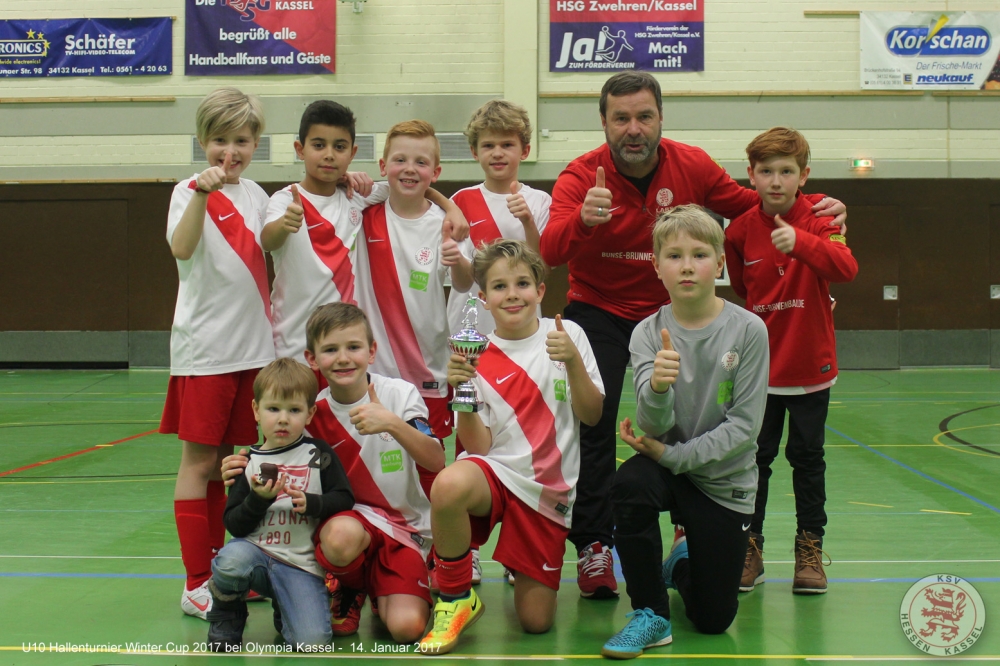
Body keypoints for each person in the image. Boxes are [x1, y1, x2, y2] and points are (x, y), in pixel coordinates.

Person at [540, 71, 846, 599]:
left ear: (660, 117)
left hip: (674, 313)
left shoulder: (693, 164)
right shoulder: (579, 176)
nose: (633, 129)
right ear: (604, 122)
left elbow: (755, 204)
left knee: (693, 416)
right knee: (594, 418)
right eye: (621, 118)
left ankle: (686, 526)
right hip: (601, 309)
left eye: (644, 116)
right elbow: (549, 250)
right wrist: (582, 222)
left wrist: (817, 210)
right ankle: (593, 544)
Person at [417, 240, 604, 656]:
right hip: (496, 475)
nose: (512, 294)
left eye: (522, 283)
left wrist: (573, 362)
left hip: (547, 492)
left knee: (536, 623)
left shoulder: (567, 334)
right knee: (448, 485)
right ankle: (455, 597)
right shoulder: (476, 353)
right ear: (484, 298)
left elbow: (591, 415)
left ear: (540, 290)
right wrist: (462, 391)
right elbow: (479, 446)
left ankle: (518, 561)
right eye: (499, 286)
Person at [222, 303, 445, 643]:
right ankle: (348, 586)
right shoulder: (312, 412)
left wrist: (392, 424)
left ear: (371, 351)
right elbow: (273, 450)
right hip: (344, 526)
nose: (343, 358)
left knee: (407, 629)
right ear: (312, 359)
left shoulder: (400, 395)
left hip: (403, 528)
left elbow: (436, 460)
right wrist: (242, 463)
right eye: (330, 350)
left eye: (353, 347)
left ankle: (383, 585)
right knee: (340, 537)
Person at [602, 205, 769, 659]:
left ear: (720, 263)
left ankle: (680, 563)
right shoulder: (646, 333)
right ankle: (650, 614)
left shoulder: (749, 330)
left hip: (722, 478)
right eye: (674, 256)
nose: (688, 266)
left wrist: (670, 455)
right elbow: (653, 425)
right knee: (629, 484)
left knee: (714, 620)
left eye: (699, 254)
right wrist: (658, 386)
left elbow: (744, 428)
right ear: (657, 267)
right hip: (663, 469)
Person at [724, 127, 858, 595]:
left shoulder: (822, 216)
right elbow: (744, 289)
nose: (776, 181)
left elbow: (846, 268)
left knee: (808, 460)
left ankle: (809, 550)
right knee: (754, 462)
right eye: (766, 171)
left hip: (810, 369)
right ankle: (750, 548)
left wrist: (800, 242)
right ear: (751, 175)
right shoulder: (739, 231)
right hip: (760, 372)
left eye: (786, 171)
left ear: (803, 175)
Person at [160, 87, 276, 619]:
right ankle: (194, 581)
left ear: (255, 144)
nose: (231, 152)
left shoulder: (256, 195)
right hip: (206, 351)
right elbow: (181, 249)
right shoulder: (187, 191)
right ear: (202, 141)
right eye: (220, 140)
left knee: (229, 465)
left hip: (253, 349)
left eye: (242, 141)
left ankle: (222, 572)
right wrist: (202, 195)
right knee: (199, 462)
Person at [263, 101, 469, 380]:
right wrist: (284, 224)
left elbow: (410, 188)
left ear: (352, 153)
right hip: (292, 348)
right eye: (319, 145)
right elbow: (267, 241)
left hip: (343, 354)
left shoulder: (356, 197)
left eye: (339, 147)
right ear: (300, 149)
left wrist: (451, 207)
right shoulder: (285, 200)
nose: (329, 155)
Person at [447, 99, 551, 586]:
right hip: (471, 335)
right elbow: (464, 280)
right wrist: (455, 259)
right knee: (467, 434)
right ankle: (465, 548)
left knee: (520, 439)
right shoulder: (461, 201)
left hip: (522, 339)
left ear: (524, 150)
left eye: (507, 144)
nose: (497, 153)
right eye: (488, 145)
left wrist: (526, 220)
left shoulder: (539, 200)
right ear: (474, 151)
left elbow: (540, 264)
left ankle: (517, 548)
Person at [206, 358, 353, 652]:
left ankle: (286, 608)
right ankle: (228, 611)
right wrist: (258, 499)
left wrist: (313, 503)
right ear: (256, 410)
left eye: (294, 410)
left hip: (300, 565)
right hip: (255, 555)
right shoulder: (246, 462)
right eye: (273, 409)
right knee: (230, 561)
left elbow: (344, 498)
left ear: (310, 413)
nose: (283, 419)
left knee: (312, 644)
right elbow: (233, 524)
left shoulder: (318, 454)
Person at [353, 120, 474, 441]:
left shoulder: (446, 224)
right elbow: (332, 185)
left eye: (421, 162)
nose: (409, 169)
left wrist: (458, 260)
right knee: (376, 461)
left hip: (428, 371)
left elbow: (464, 283)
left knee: (428, 460)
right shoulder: (362, 210)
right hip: (372, 372)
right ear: (383, 166)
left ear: (435, 172)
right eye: (400, 160)